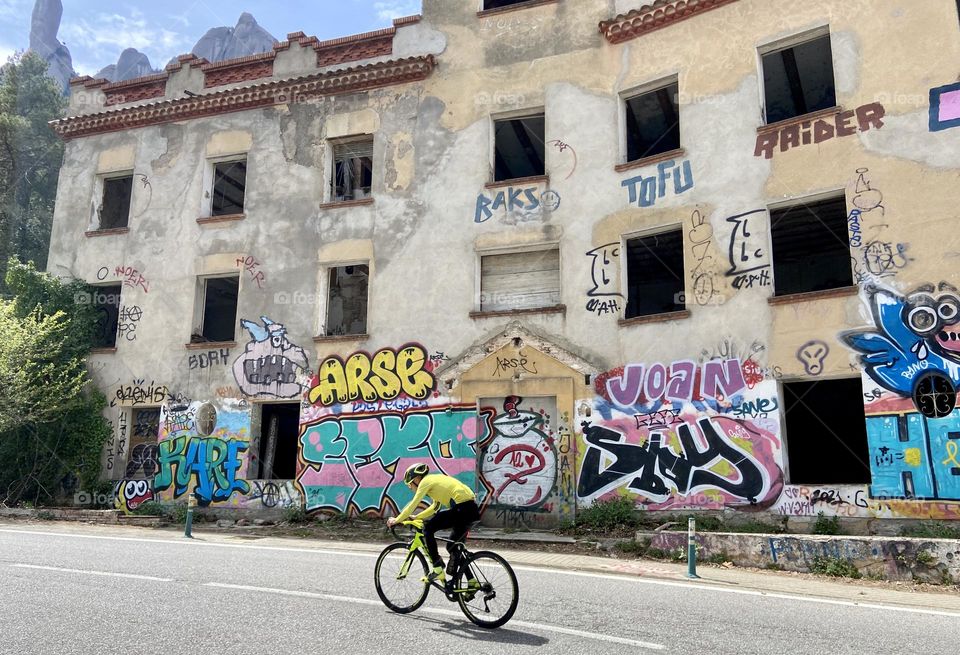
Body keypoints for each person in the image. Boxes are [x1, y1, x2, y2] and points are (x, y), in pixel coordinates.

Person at [387, 463, 481, 584]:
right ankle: (472, 581)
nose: (410, 488)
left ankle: (437, 568)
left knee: (428, 529)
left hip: (462, 509)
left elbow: (413, 504)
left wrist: (396, 520)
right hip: (471, 510)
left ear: (416, 479)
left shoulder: (425, 482)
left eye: (410, 484)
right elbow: (435, 507)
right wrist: (417, 517)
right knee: (453, 547)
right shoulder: (434, 480)